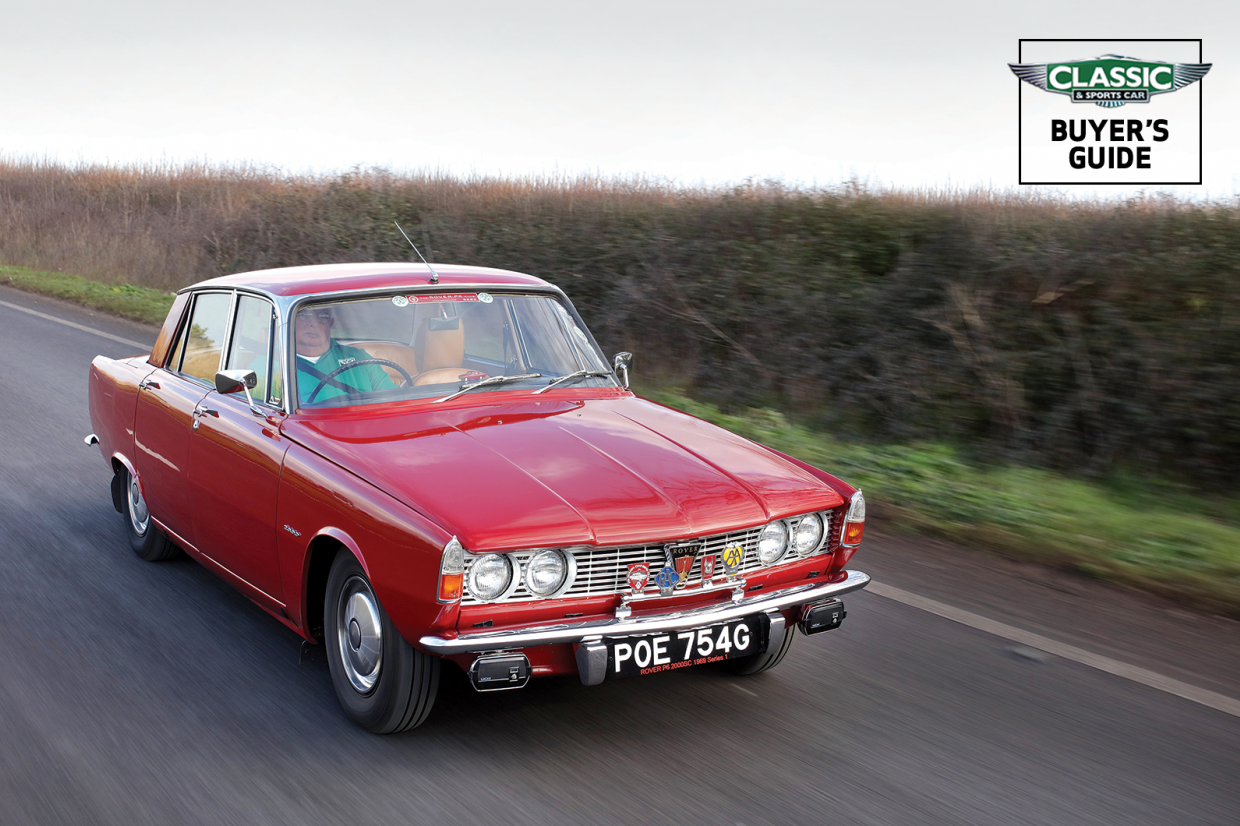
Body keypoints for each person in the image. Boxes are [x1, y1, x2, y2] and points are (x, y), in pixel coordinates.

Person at [295, 306, 396, 403]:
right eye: (305, 315)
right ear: (291, 322)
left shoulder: (359, 357)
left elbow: (392, 399)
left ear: (330, 323)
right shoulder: (281, 362)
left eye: (323, 317)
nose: (314, 323)